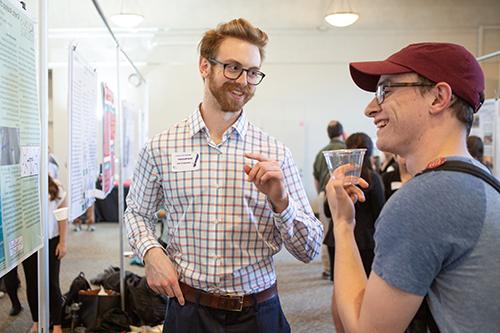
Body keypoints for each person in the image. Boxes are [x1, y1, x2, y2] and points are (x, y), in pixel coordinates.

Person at [125, 18, 322, 333]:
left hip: (258, 312)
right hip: (188, 310)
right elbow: (136, 212)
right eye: (233, 67)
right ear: (205, 66)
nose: (244, 81)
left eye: (253, 72)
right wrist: (151, 252)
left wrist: (281, 202)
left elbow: (309, 250)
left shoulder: (275, 154)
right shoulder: (161, 147)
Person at [326, 42, 500, 332]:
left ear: (438, 98)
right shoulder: (481, 179)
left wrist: (343, 225)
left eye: (386, 91)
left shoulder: (426, 199)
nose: (370, 109)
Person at [4, 175, 68, 333]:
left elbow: (62, 219)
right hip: (29, 243)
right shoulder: (21, 189)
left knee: (52, 283)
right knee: (32, 284)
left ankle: (57, 324)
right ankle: (36, 321)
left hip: (51, 242)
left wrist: (62, 242)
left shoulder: (56, 189)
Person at [323, 133, 385, 281]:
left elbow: (327, 211)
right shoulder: (373, 178)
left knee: (341, 287)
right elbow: (380, 214)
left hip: (337, 238)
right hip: (365, 241)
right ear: (370, 153)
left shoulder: (336, 179)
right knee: (363, 289)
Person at [312, 120, 346, 280]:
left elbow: (316, 178)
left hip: (324, 194)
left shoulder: (321, 152)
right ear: (342, 133)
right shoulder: (347, 150)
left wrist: (321, 193)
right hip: (344, 195)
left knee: (326, 232)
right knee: (344, 229)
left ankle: (327, 268)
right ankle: (343, 268)